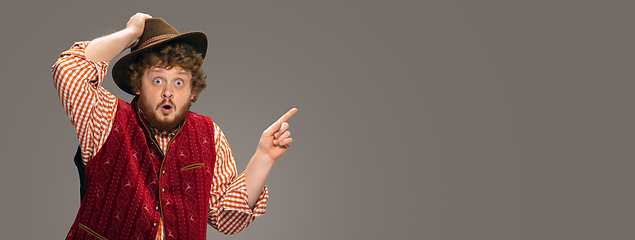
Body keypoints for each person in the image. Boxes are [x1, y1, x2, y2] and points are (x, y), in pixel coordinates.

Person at [52, 13, 297, 240]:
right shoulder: (105, 118)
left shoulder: (210, 135)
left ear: (192, 92)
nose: (168, 92)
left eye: (179, 82)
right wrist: (131, 34)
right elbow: (69, 70)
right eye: (157, 80)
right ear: (137, 85)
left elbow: (226, 217)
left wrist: (264, 157)